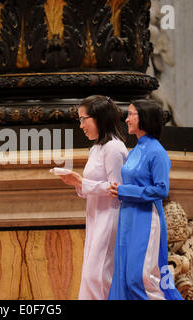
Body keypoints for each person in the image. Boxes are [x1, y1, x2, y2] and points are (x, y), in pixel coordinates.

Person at [107, 99, 183, 300]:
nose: (127, 118)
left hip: (147, 220)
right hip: (127, 218)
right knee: (123, 278)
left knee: (140, 278)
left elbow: (161, 189)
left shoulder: (157, 152)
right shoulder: (135, 150)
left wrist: (125, 191)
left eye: (132, 114)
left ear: (145, 118)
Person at [58, 95, 128, 299]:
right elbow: (90, 186)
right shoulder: (96, 148)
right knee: (91, 275)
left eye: (83, 119)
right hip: (95, 216)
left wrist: (81, 182)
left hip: (110, 217)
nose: (81, 125)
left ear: (98, 118)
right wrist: (76, 183)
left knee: (98, 276)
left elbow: (118, 189)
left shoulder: (114, 148)